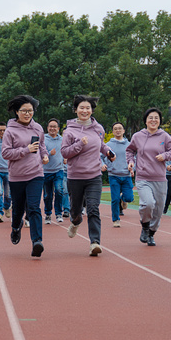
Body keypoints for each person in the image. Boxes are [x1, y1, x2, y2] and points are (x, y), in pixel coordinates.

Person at [62, 96, 115, 257]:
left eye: (88, 108)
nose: (85, 111)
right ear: (76, 110)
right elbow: (65, 152)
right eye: (81, 108)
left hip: (94, 175)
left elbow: (101, 144)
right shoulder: (69, 131)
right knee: (76, 211)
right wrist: (79, 144)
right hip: (75, 176)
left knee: (93, 208)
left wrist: (108, 152)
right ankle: (75, 221)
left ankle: (95, 242)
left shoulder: (98, 128)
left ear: (92, 110)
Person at [1, 95, 49, 258]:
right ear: (17, 112)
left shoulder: (38, 128)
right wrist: (26, 150)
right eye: (24, 111)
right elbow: (6, 153)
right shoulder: (10, 131)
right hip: (17, 176)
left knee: (34, 207)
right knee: (18, 210)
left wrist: (45, 155)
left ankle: (37, 241)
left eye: (30, 111)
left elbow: (41, 145)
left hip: (36, 174)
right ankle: (16, 227)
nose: (28, 114)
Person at [125, 108, 171, 247]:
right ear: (146, 120)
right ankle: (145, 225)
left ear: (160, 121)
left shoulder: (164, 136)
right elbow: (130, 150)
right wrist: (131, 162)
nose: (153, 120)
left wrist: (164, 156)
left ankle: (151, 233)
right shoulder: (138, 136)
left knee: (158, 210)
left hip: (160, 178)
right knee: (148, 203)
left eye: (156, 118)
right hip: (143, 177)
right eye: (150, 117)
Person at [103, 122, 133, 227]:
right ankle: (116, 220)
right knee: (115, 199)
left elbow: (134, 157)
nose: (118, 130)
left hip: (126, 175)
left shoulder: (129, 145)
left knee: (129, 197)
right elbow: (101, 157)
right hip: (113, 175)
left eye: (120, 128)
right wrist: (103, 165)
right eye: (115, 129)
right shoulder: (108, 145)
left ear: (123, 131)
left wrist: (133, 167)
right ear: (113, 131)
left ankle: (123, 199)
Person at [42, 118, 68, 223]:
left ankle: (58, 213)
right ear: (47, 128)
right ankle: (48, 214)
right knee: (47, 195)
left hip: (58, 170)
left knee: (59, 190)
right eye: (50, 126)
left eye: (54, 127)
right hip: (46, 171)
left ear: (58, 128)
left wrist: (66, 157)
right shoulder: (43, 139)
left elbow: (66, 151)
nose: (52, 128)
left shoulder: (62, 140)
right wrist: (49, 153)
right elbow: (39, 153)